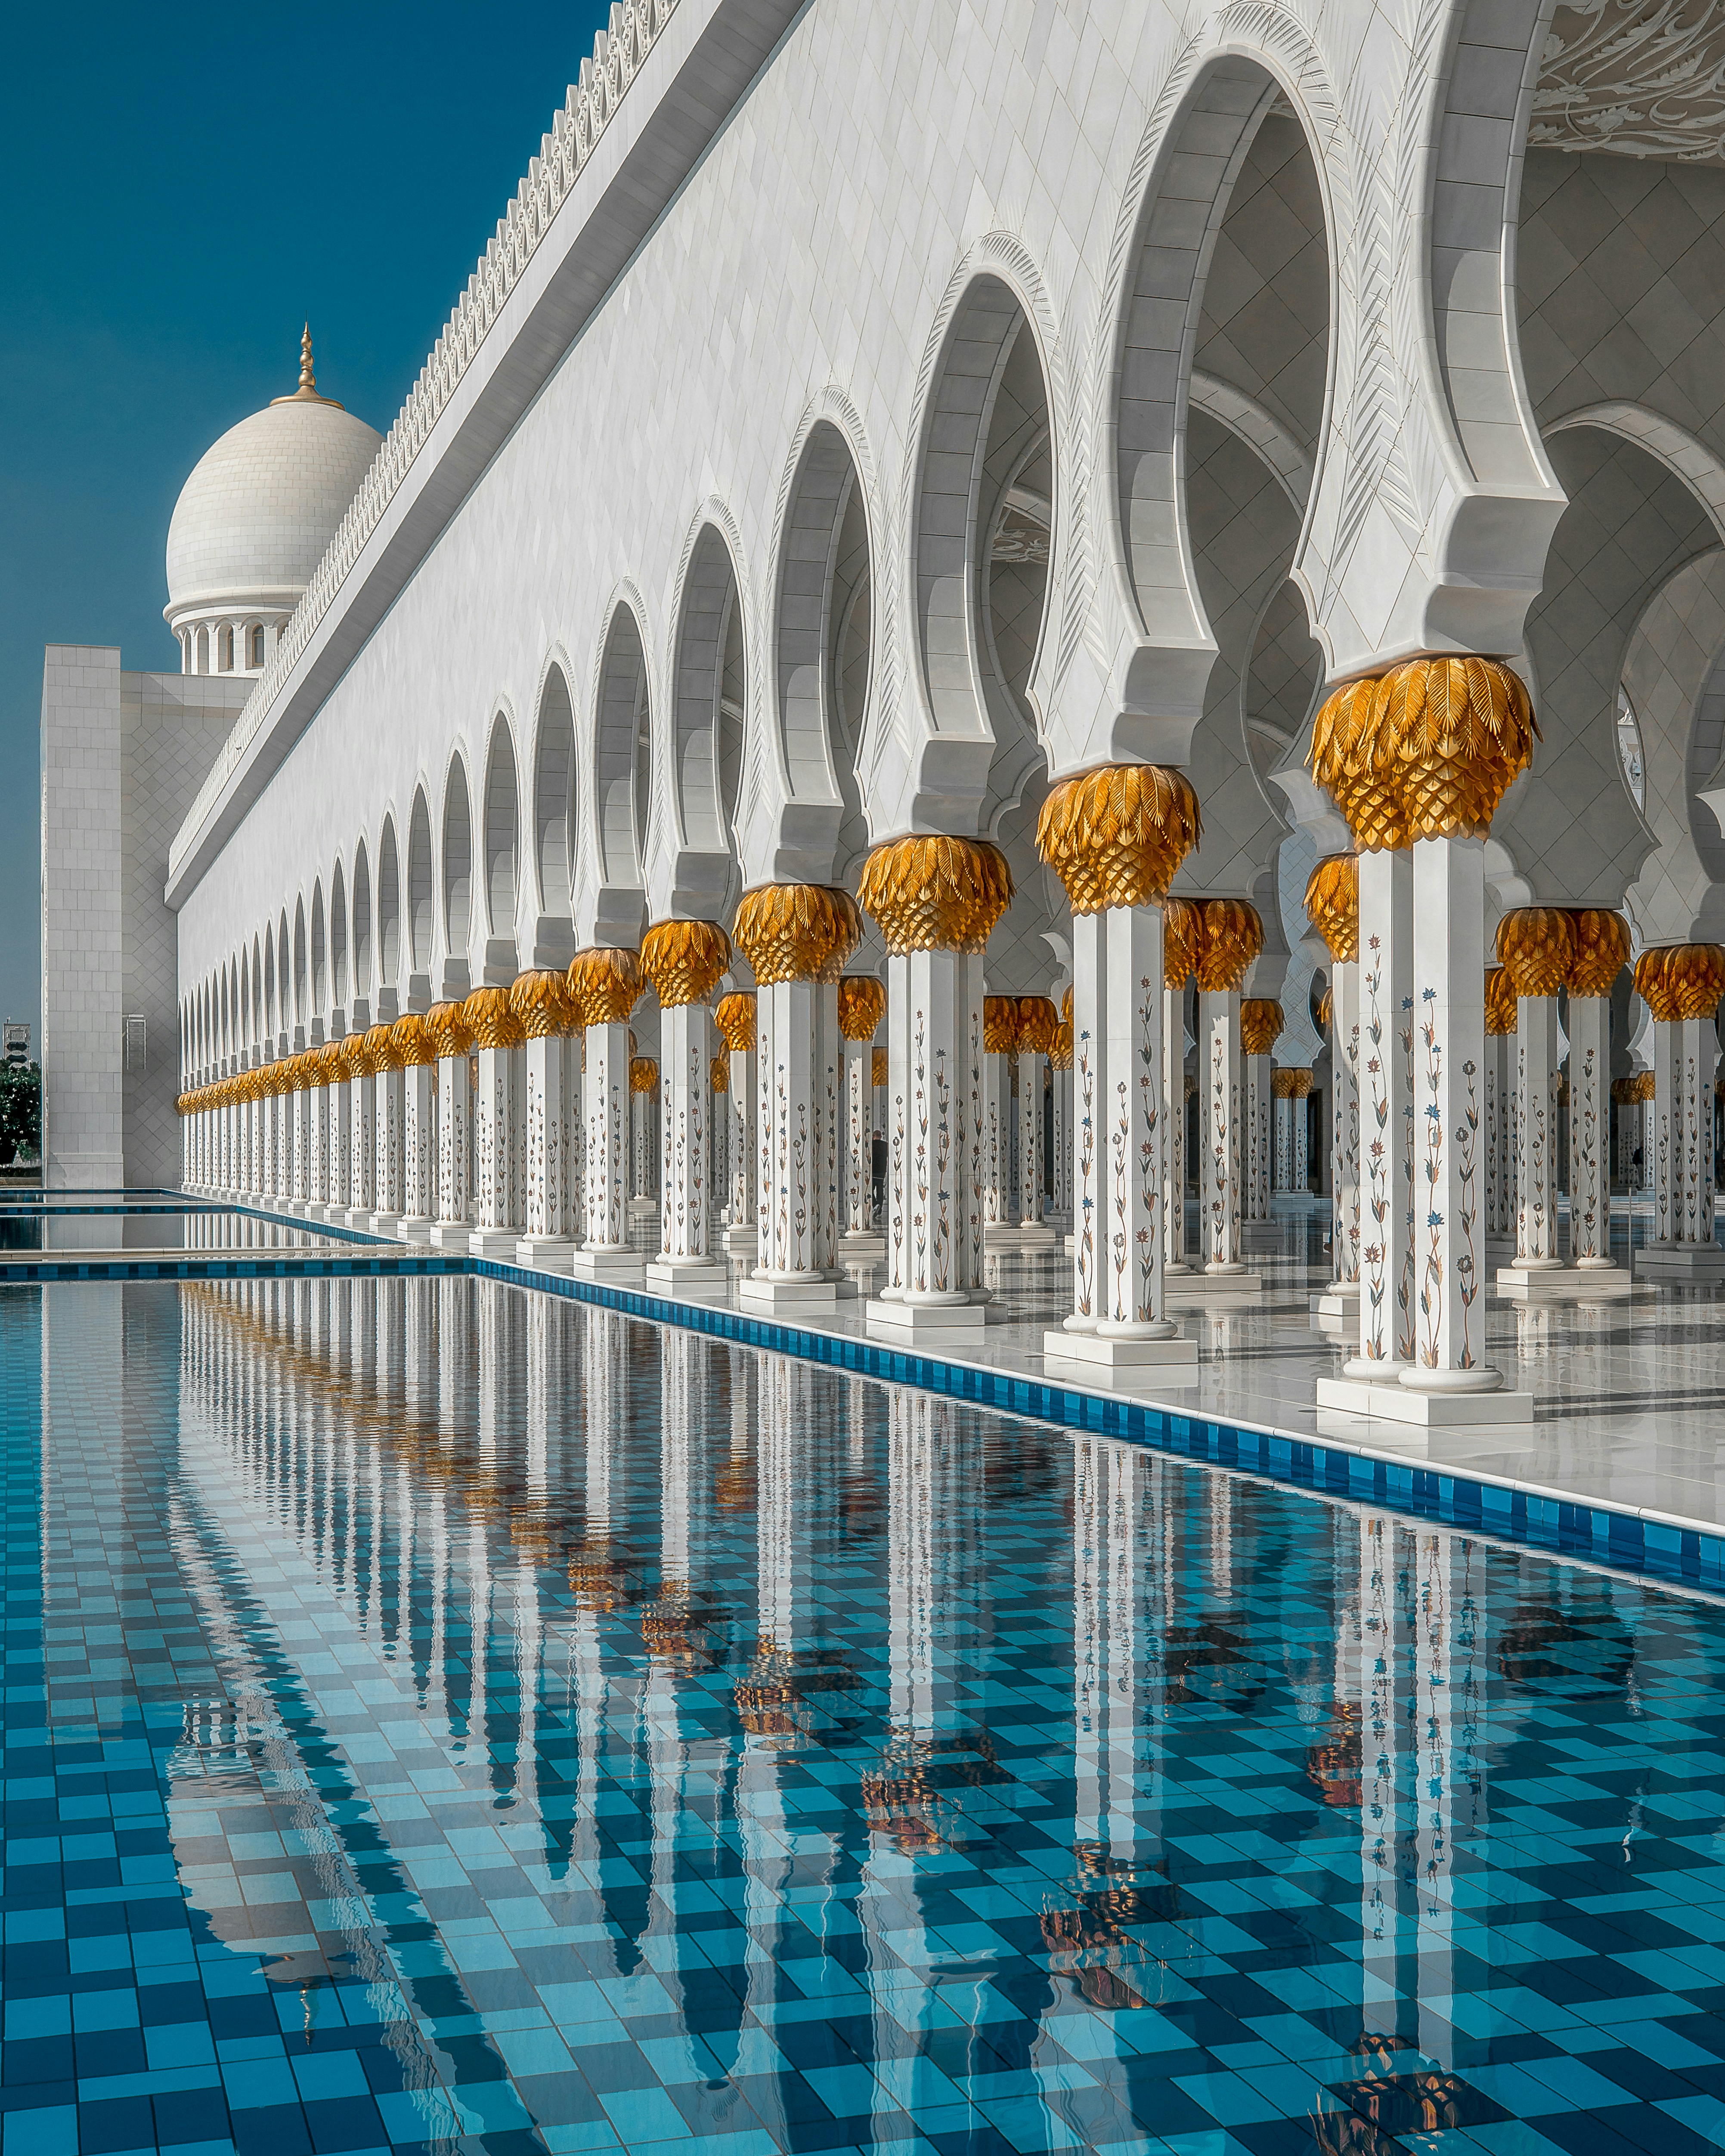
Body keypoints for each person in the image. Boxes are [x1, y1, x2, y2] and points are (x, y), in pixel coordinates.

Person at [871, 1130, 888, 1223]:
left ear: (874, 1136)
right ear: (881, 1136)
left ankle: (875, 1205)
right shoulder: (886, 1145)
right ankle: (880, 1209)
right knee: (880, 1190)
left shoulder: (871, 1145)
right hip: (882, 1171)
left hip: (873, 1171)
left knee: (871, 1190)